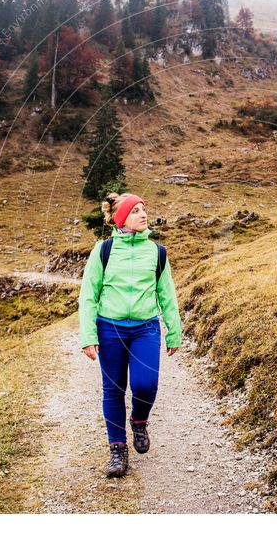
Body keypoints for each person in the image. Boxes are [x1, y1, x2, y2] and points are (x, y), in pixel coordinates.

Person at [78, 192, 183, 478]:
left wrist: (174, 332)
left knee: (146, 384)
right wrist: (88, 335)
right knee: (113, 390)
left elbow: (167, 295)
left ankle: (139, 420)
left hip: (145, 328)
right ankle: (118, 449)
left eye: (143, 210)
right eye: (135, 211)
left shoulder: (157, 252)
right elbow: (89, 294)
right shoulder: (103, 250)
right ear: (122, 218)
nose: (143, 214)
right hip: (109, 328)